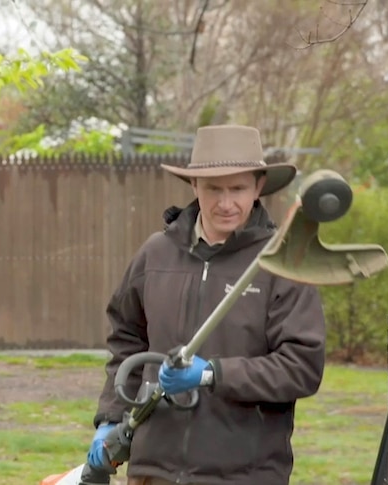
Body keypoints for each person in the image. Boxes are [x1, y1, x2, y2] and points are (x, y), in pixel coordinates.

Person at [86, 125, 326, 485]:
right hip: (153, 474)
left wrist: (213, 374)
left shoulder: (280, 264)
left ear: (258, 186)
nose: (225, 203)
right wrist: (110, 419)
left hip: (245, 475)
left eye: (238, 188)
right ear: (194, 186)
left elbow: (301, 368)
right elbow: (126, 340)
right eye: (214, 188)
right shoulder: (156, 254)